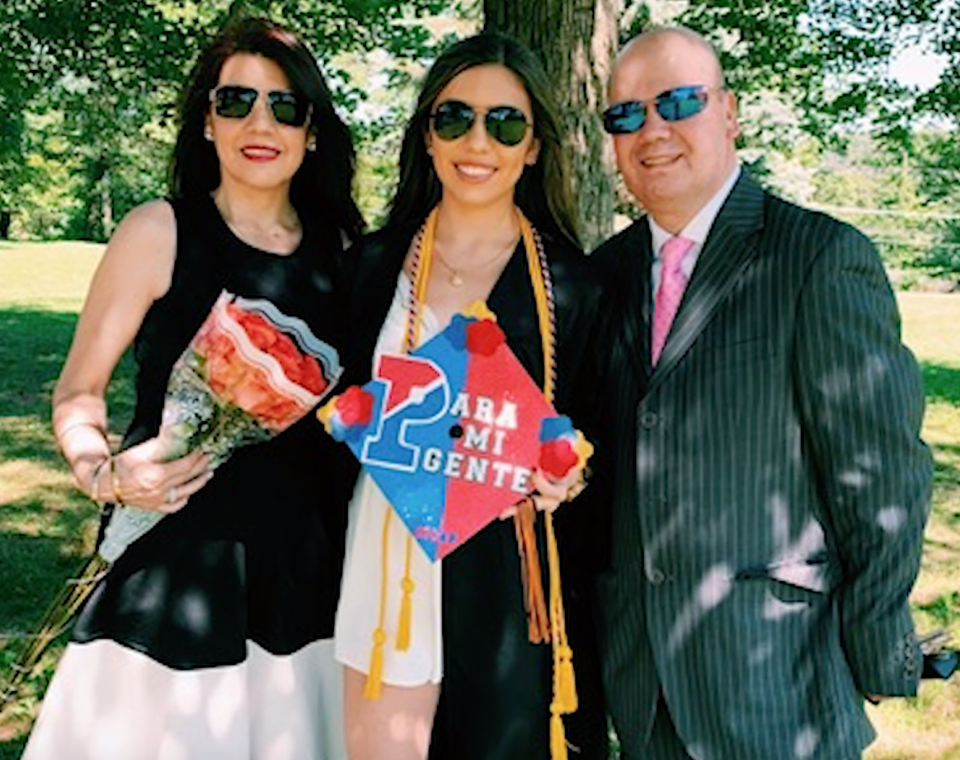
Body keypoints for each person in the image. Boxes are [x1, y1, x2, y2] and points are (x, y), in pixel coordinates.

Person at [22, 16, 362, 760]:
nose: (259, 123)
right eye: (236, 101)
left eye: (285, 105)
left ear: (312, 131)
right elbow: (78, 392)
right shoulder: (157, 232)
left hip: (305, 587)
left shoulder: (346, 255)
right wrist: (105, 473)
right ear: (207, 122)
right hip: (172, 576)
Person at [590, 25, 933, 760]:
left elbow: (881, 474)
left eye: (679, 101)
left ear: (729, 113)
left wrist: (876, 645)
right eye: (626, 115)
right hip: (643, 688)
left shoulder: (819, 257)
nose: (652, 131)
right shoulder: (602, 277)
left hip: (782, 685)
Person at [333, 32, 608, 760]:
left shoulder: (574, 288)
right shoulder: (370, 267)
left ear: (535, 148)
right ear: (427, 138)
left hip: (507, 582)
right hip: (381, 562)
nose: (476, 140)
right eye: (454, 118)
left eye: (505, 123)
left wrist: (571, 474)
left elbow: (595, 436)